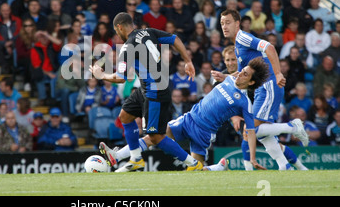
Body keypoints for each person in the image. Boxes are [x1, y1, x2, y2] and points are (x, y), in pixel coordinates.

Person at [101, 57, 273, 171]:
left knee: (196, 170)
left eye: (246, 74)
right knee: (154, 136)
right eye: (243, 70)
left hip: (204, 132)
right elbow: (231, 76)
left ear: (250, 81)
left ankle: (217, 168)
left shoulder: (244, 103)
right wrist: (222, 74)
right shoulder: (229, 79)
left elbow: (250, 131)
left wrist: (252, 157)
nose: (241, 73)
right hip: (189, 119)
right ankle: (116, 156)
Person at [89, 12, 200, 172]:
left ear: (119, 27)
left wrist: (101, 75)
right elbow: (174, 39)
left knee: (155, 137)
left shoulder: (127, 47)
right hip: (146, 87)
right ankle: (135, 158)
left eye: (116, 31)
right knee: (125, 116)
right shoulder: (148, 32)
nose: (117, 35)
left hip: (155, 91)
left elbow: (122, 78)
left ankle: (193, 164)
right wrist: (188, 61)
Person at [215, 9, 309, 170]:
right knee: (264, 135)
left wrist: (278, 73)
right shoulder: (237, 45)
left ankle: (293, 127)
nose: (224, 26)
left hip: (268, 85)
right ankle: (284, 165)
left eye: (228, 22)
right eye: (222, 23)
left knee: (250, 129)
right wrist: (224, 77)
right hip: (262, 88)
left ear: (237, 24)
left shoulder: (243, 37)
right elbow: (242, 75)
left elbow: (269, 47)